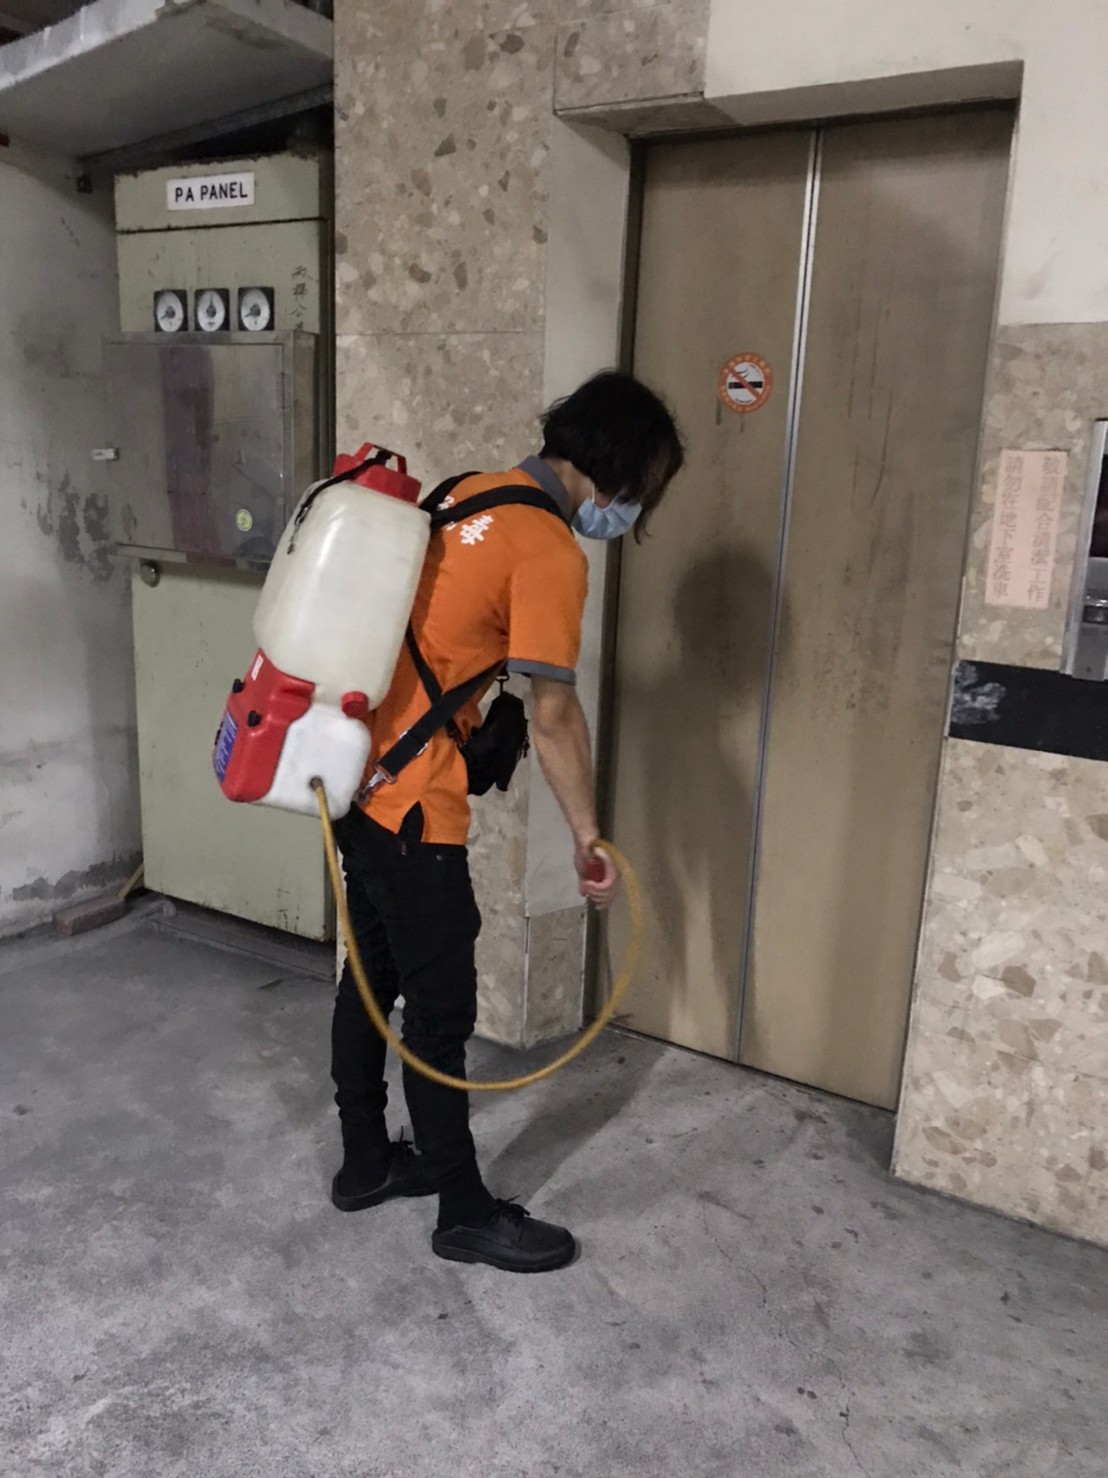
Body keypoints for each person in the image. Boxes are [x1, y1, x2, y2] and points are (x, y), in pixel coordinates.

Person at [329, 370, 684, 1273]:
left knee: (369, 977)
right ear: (623, 470)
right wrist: (588, 836)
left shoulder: (464, 493)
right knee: (438, 1014)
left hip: (355, 778)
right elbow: (555, 713)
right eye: (644, 488)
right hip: (416, 806)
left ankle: (367, 1164)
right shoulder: (548, 549)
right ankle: (463, 1211)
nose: (634, 509)